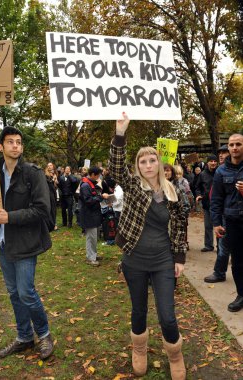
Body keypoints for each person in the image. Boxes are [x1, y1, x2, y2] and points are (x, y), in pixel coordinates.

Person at [109, 113, 186, 379]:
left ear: (160, 163)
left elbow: (179, 228)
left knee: (167, 315)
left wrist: (179, 258)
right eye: (143, 160)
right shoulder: (132, 187)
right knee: (139, 309)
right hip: (135, 260)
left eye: (152, 159)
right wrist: (120, 133)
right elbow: (117, 168)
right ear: (138, 166)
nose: (148, 163)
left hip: (163, 261)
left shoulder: (173, 193)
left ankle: (175, 355)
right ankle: (139, 350)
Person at [0, 126, 54, 359]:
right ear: (0, 146)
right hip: (4, 242)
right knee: (14, 293)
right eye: (10, 142)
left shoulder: (32, 173)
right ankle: (24, 337)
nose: (16, 145)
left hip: (26, 243)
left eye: (19, 142)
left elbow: (42, 210)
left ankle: (44, 334)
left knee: (26, 292)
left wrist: (10, 216)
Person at [211, 134, 243, 312]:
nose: (234, 148)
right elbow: (216, 199)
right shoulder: (221, 171)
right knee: (237, 262)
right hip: (232, 223)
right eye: (231, 145)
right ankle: (241, 294)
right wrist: (216, 223)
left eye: (238, 144)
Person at [204, 145, 230, 283]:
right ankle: (220, 272)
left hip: (237, 214)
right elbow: (215, 197)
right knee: (223, 245)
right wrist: (216, 220)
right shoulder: (220, 170)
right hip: (224, 214)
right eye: (220, 152)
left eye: (224, 152)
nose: (221, 155)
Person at [79, 166, 108, 266]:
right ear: (92, 175)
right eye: (98, 175)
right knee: (91, 237)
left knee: (93, 236)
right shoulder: (85, 186)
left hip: (93, 214)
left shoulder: (90, 183)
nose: (99, 177)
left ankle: (92, 254)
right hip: (89, 215)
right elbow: (88, 201)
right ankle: (90, 257)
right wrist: (100, 197)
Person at [195, 155, 218, 252]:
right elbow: (197, 187)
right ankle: (208, 245)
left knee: (220, 226)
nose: (213, 163)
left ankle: (221, 247)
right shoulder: (202, 174)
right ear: (207, 162)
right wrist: (199, 195)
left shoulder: (220, 172)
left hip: (219, 205)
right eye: (211, 161)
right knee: (208, 226)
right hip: (207, 204)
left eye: (214, 161)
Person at [45, 163, 58, 231]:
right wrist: (53, 179)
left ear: (53, 166)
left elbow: (55, 185)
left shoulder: (55, 174)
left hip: (54, 193)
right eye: (48, 165)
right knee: (50, 208)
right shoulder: (46, 175)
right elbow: (48, 183)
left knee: (54, 208)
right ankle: (50, 225)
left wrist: (56, 181)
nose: (49, 166)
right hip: (48, 193)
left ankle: (54, 223)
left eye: (51, 165)